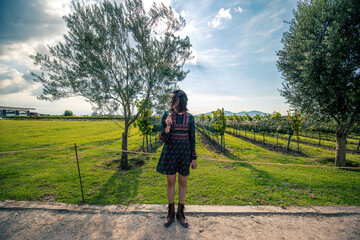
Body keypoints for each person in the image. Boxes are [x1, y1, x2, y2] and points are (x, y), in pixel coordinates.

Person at [156, 89, 197, 228]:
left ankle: (181, 212)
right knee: (170, 183)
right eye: (172, 100)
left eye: (175, 100)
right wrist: (167, 127)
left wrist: (194, 157)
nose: (173, 103)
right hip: (170, 153)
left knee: (183, 183)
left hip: (185, 154)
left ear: (182, 101)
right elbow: (162, 138)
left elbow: (192, 138)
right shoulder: (166, 115)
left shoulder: (190, 118)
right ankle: (170, 212)